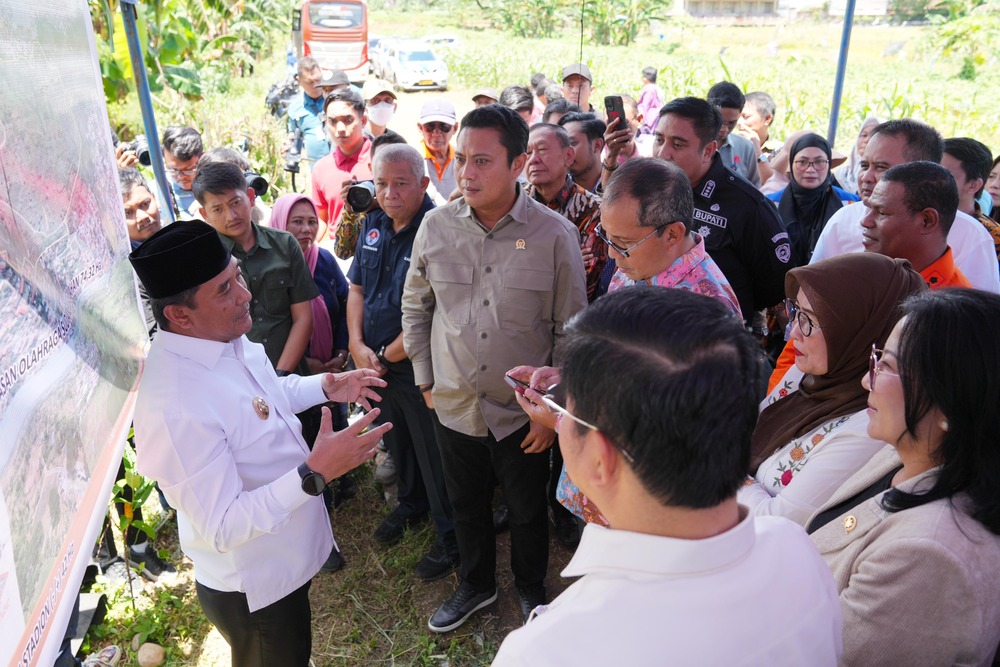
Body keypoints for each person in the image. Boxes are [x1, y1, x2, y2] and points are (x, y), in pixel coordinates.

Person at [491, 287, 842, 667]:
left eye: (566, 408)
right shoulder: (793, 548)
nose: (559, 417)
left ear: (601, 458)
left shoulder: (544, 651)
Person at [129, 221, 391, 667]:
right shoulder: (174, 404)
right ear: (179, 315)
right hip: (254, 586)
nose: (245, 295)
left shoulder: (217, 334)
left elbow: (263, 396)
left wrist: (324, 386)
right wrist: (314, 473)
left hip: (279, 557)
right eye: (225, 289)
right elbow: (224, 526)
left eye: (238, 276)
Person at [402, 104, 588, 633]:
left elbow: (571, 331)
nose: (466, 172)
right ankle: (476, 583)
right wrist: (425, 381)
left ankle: (531, 588)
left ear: (519, 163)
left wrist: (549, 412)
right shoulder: (436, 227)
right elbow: (416, 306)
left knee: (527, 510)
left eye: (482, 161)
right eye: (462, 159)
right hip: (453, 402)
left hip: (521, 414)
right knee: (466, 504)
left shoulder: (553, 235)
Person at [806, 289, 1000, 666]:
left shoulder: (929, 555)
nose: (867, 380)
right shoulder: (903, 454)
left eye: (887, 366)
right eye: (877, 358)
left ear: (951, 400)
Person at [741, 254, 926, 526]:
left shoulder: (871, 427)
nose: (794, 332)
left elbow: (778, 522)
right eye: (796, 311)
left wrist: (723, 468)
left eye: (810, 319)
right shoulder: (811, 374)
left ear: (859, 332)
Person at [346, 144, 458, 580]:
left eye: (400, 183)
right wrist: (357, 344)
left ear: (424, 183)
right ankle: (412, 504)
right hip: (374, 360)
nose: (389, 193)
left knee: (433, 450)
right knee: (397, 438)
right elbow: (357, 288)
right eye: (381, 184)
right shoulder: (372, 223)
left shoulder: (438, 229)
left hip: (417, 364)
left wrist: (385, 355)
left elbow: (435, 311)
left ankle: (451, 536)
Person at [811, 119, 1000, 293]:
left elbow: (979, 312)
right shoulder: (843, 219)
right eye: (864, 165)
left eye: (881, 167)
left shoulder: (971, 235)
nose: (866, 177)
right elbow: (811, 293)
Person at [653, 97, 792, 329]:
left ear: (708, 150)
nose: (662, 153)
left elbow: (776, 292)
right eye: (659, 140)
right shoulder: (653, 187)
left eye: (677, 145)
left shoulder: (748, 207)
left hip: (717, 336)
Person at [194, 161, 316, 378]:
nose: (231, 216)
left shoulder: (285, 245)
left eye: (235, 202)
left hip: (291, 375)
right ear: (205, 214)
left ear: (250, 197)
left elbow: (303, 319)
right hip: (238, 380)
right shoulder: (203, 260)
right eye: (218, 209)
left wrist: (280, 376)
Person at [524, 123, 607, 301]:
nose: (533, 159)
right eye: (528, 153)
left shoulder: (593, 209)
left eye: (542, 150)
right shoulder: (513, 202)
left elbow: (584, 281)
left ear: (568, 156)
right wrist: (564, 262)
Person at [862, 161, 972, 288]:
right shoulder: (868, 276)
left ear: (927, 221)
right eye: (869, 208)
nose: (865, 221)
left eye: (882, 213)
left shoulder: (953, 299)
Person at [765, 133, 860, 266]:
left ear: (829, 165)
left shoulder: (850, 204)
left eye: (819, 162)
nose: (810, 169)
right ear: (791, 164)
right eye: (802, 162)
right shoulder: (770, 205)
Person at [311, 89, 372, 233]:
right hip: (336, 245)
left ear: (363, 121)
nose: (340, 129)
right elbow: (321, 220)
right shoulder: (320, 169)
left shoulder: (382, 161)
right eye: (332, 121)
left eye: (348, 120)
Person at [941, 137, 1000, 265]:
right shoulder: (913, 216)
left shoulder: (992, 237)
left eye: (945, 175)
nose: (931, 180)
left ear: (973, 185)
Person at [707, 81, 761, 186]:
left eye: (731, 123)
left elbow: (754, 187)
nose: (724, 129)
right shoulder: (692, 143)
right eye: (720, 122)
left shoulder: (746, 148)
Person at [285, 56, 330, 166]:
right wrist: (288, 147)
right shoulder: (295, 109)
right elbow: (292, 135)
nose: (316, 86)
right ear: (299, 80)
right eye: (309, 82)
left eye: (318, 80)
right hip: (316, 168)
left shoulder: (336, 97)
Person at [417, 99, 459, 203]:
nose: (436, 133)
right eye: (430, 127)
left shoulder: (463, 159)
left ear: (455, 128)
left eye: (444, 127)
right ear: (420, 128)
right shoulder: (412, 160)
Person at [557, 111, 606, 193]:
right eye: (561, 145)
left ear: (597, 145)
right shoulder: (555, 190)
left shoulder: (621, 184)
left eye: (572, 143)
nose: (565, 152)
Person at [832, 115, 880, 196]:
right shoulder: (840, 175)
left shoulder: (886, 176)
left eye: (873, 136)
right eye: (864, 135)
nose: (867, 140)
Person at [162, 125, 203, 219]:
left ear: (202, 159)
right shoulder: (159, 190)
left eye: (188, 169)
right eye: (173, 170)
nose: (181, 176)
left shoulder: (219, 185)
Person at [636, 66, 663, 135]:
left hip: (649, 123)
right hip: (656, 121)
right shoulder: (658, 88)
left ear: (645, 79)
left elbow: (646, 106)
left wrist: (642, 122)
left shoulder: (649, 89)